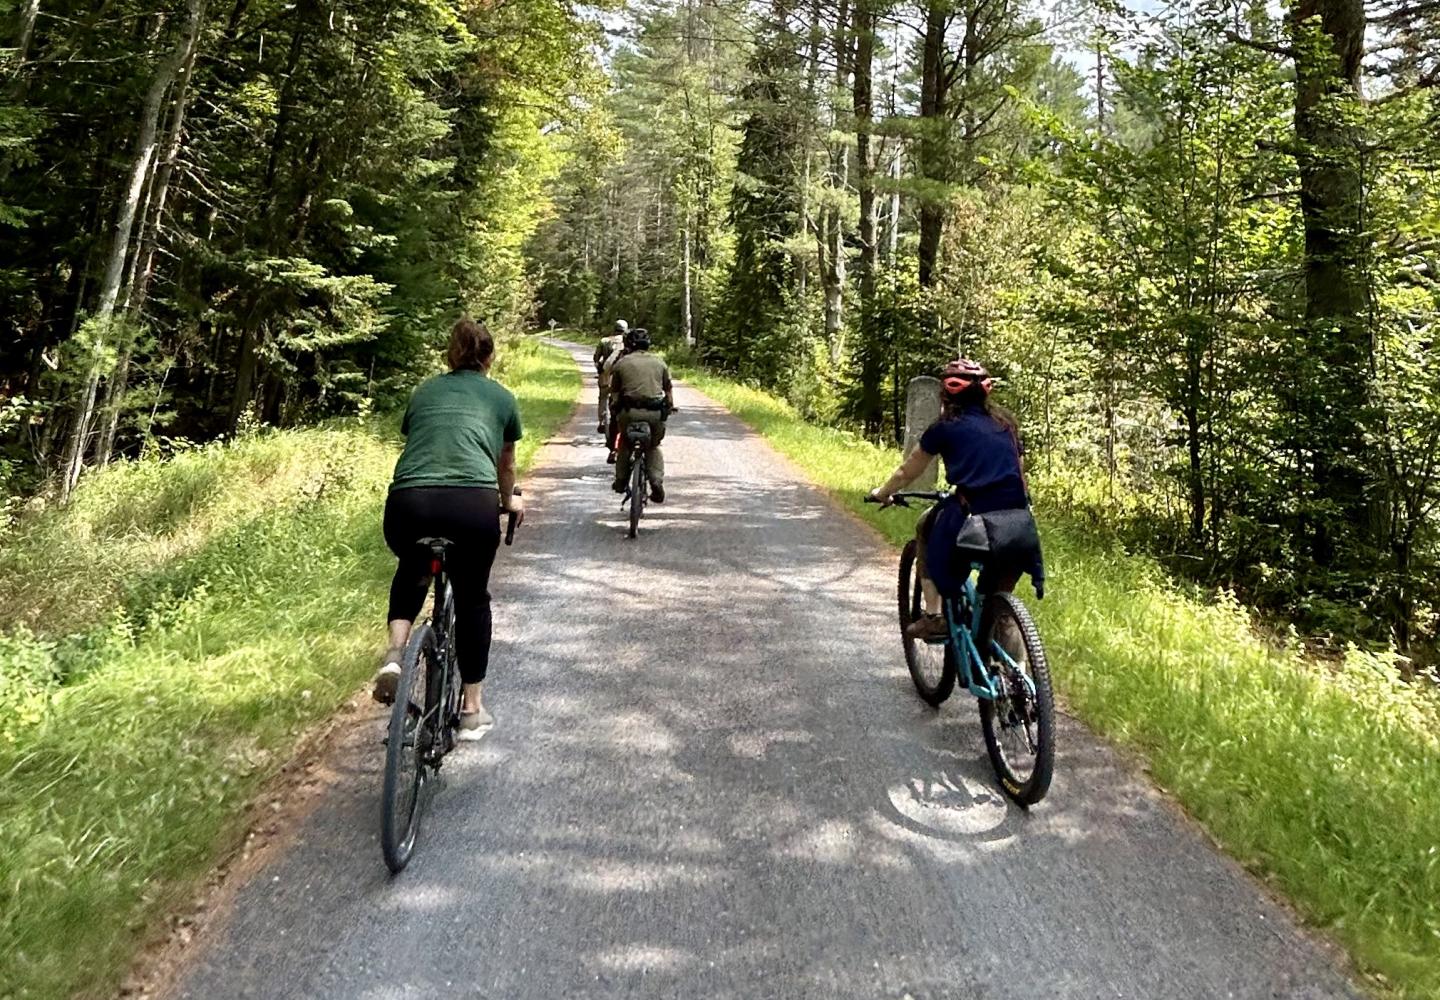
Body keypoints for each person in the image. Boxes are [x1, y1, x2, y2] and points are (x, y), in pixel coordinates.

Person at [372, 317, 524, 737]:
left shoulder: (425, 391)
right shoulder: (501, 397)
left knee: (412, 566)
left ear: (450, 356)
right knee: (473, 598)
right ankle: (472, 709)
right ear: (489, 358)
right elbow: (505, 462)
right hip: (470, 506)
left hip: (409, 503)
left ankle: (394, 654)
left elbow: (419, 437)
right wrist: (508, 501)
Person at [869, 358, 1043, 640]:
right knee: (997, 604)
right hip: (1018, 523)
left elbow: (908, 470)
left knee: (926, 527)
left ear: (946, 394)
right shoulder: (1006, 424)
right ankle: (1022, 675)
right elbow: (1019, 473)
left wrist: (883, 493)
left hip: (975, 517)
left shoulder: (945, 427)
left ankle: (934, 616)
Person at [608, 328, 674, 503]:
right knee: (653, 445)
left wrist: (615, 408)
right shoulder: (660, 363)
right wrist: (670, 407)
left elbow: (614, 393)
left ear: (628, 345)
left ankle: (621, 481)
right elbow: (668, 390)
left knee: (624, 444)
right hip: (654, 414)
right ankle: (656, 481)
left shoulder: (621, 364)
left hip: (629, 414)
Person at [594, 320, 628, 434]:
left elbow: (596, 358)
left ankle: (602, 421)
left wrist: (599, 370)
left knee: (603, 397)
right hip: (622, 374)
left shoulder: (605, 341)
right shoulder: (628, 341)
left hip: (606, 374)